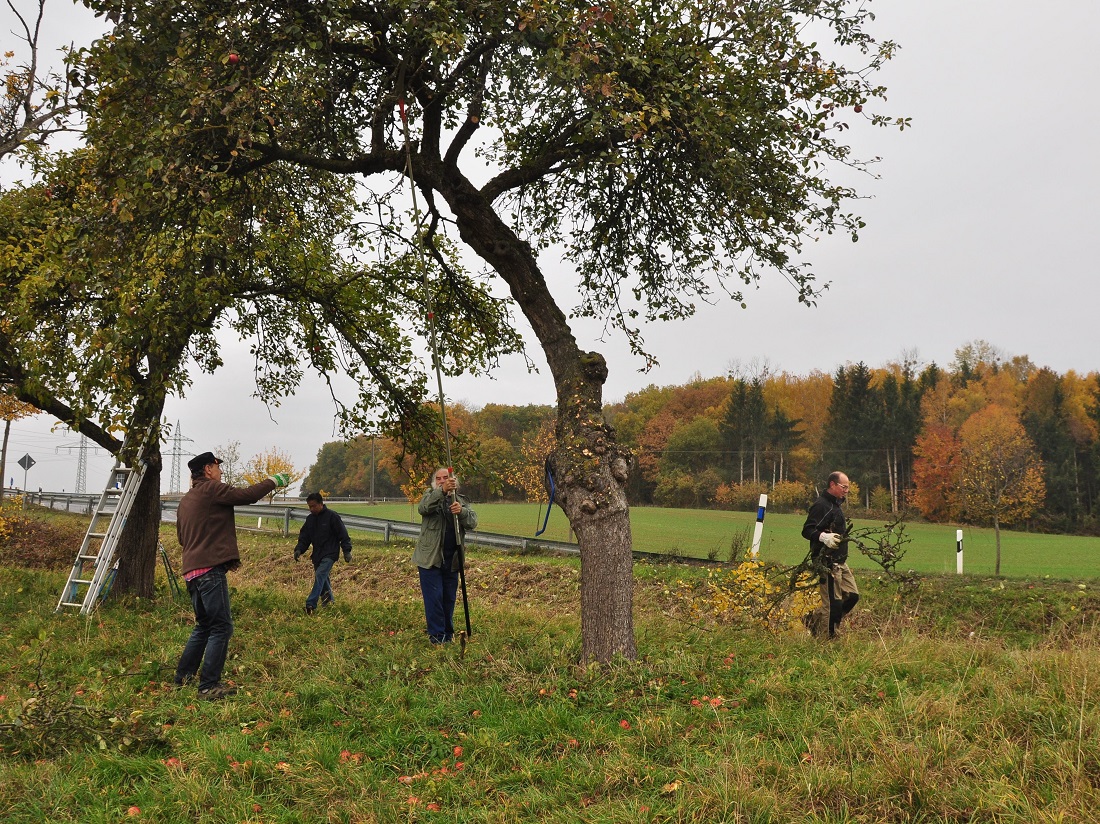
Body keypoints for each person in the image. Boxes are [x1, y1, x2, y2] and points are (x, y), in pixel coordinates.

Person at [173, 450, 288, 700]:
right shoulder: (212, 489)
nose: (221, 472)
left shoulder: (186, 501)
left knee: (203, 625)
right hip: (209, 570)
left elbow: (182, 538)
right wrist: (273, 481)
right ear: (208, 470)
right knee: (221, 627)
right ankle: (207, 686)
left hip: (191, 572)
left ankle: (183, 678)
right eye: (218, 467)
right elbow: (246, 496)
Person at [412, 467, 477, 644]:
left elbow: (472, 522)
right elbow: (423, 508)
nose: (442, 480)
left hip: (452, 560)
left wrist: (461, 512)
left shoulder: (461, 500)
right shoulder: (430, 496)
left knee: (448, 599)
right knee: (434, 600)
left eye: (446, 478)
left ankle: (448, 635)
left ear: (454, 480)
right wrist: (442, 491)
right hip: (430, 560)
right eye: (439, 479)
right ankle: (437, 638)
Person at [801, 471, 860, 639]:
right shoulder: (821, 505)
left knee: (852, 596)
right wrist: (823, 537)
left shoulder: (836, 505)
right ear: (832, 485)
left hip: (840, 561)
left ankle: (813, 620)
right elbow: (807, 530)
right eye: (844, 487)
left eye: (848, 487)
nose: (847, 490)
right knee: (832, 604)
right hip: (827, 562)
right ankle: (827, 639)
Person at [293, 492, 352, 614]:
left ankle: (310, 605)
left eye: (314, 506)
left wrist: (346, 551)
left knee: (320, 575)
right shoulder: (310, 520)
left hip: (330, 553)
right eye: (309, 506)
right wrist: (299, 549)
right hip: (317, 555)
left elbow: (343, 534)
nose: (311, 509)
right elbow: (304, 537)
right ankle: (329, 604)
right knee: (323, 580)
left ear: (321, 504)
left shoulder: (332, 517)